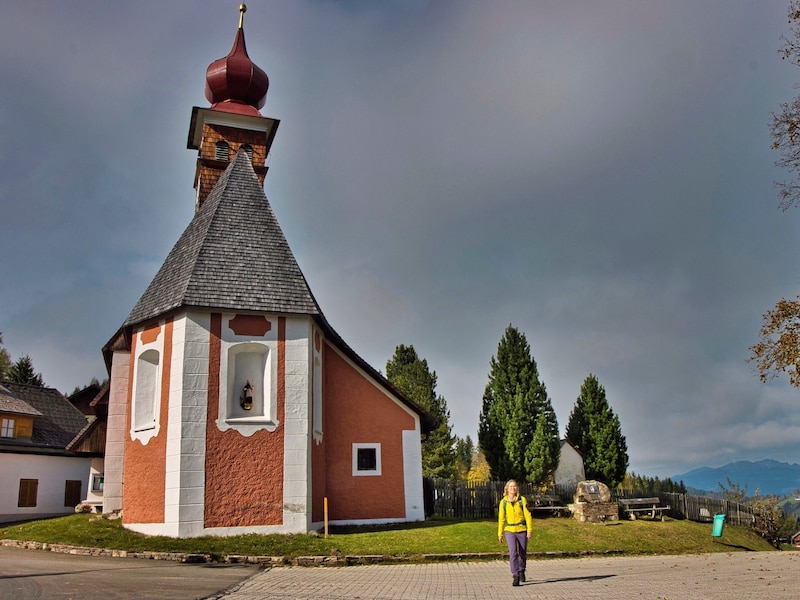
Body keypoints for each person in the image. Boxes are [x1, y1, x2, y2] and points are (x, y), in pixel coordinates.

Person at [497, 479, 533, 587]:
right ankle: (515, 575)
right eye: (511, 486)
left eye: (515, 486)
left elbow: (528, 515)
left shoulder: (522, 500)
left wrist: (529, 530)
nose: (513, 488)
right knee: (513, 553)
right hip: (509, 530)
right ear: (507, 489)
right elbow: (501, 519)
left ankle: (522, 570)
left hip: (521, 529)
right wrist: (500, 533)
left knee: (522, 553)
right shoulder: (503, 502)